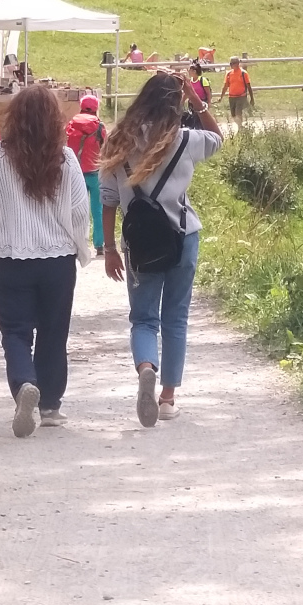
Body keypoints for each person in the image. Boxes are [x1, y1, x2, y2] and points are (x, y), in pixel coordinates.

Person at [101, 70, 223, 427]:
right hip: (183, 237)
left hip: (139, 244)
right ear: (177, 103)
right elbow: (218, 137)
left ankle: (145, 368)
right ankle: (167, 398)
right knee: (175, 318)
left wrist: (109, 248)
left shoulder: (118, 141)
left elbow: (108, 200)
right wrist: (198, 101)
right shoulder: (185, 140)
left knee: (143, 319)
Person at [0, 86, 93, 436]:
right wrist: (80, 247)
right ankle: (51, 405)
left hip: (11, 259)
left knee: (15, 331)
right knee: (54, 332)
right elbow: (78, 209)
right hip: (57, 262)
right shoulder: (65, 157)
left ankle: (25, 383)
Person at [64, 92, 107, 256]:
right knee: (98, 210)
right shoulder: (100, 126)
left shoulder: (72, 124)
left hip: (75, 174)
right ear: (95, 108)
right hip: (95, 173)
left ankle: (76, 244)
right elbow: (106, 148)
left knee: (75, 209)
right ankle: (99, 245)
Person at [222, 55, 254, 126]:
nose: (231, 65)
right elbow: (225, 86)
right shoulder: (229, 74)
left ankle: (240, 128)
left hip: (241, 96)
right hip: (231, 96)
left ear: (237, 63)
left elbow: (248, 86)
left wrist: (252, 98)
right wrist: (221, 97)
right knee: (233, 114)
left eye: (233, 63)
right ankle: (240, 126)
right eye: (230, 63)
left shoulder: (243, 73)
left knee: (238, 113)